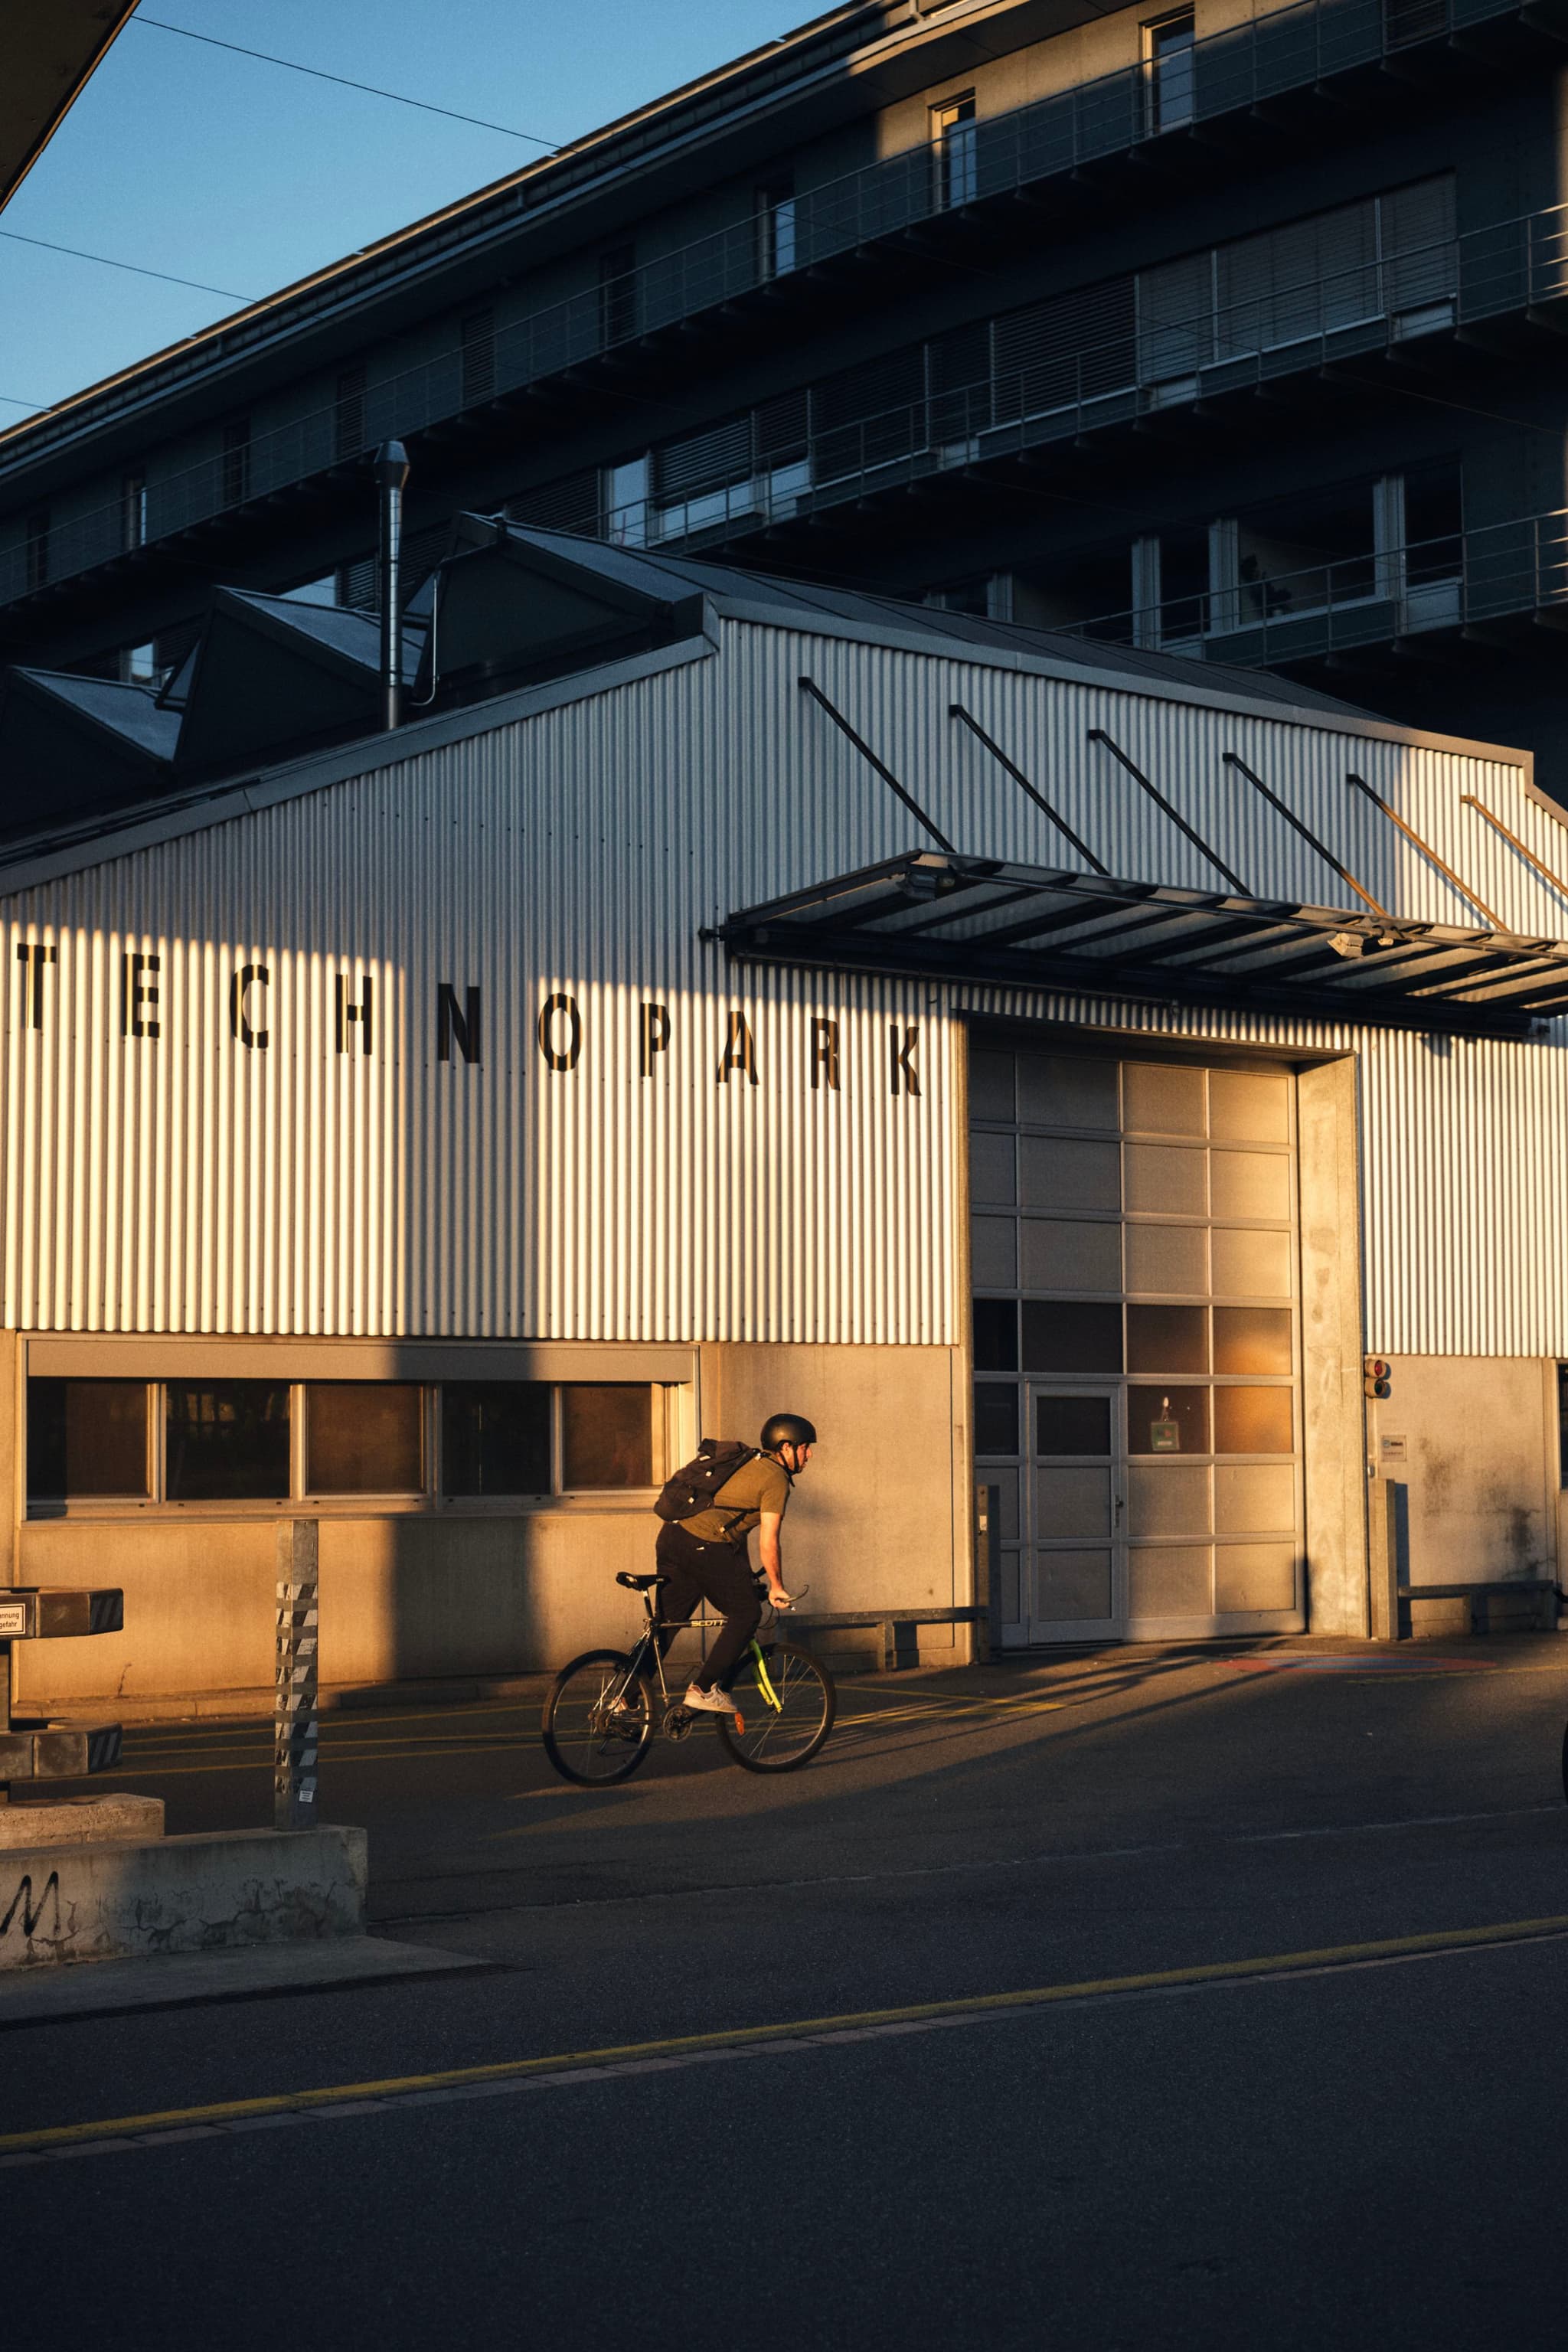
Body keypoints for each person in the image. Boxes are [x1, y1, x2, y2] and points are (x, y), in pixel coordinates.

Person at [657, 1413, 817, 1716]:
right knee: (746, 1614)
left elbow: (732, 1528)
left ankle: (623, 1698)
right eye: (805, 1447)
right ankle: (703, 1689)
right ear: (785, 1447)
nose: (809, 1454)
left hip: (673, 1537)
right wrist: (777, 1586)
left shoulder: (748, 1463)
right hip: (703, 1545)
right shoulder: (775, 1479)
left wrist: (745, 1576)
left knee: (666, 1625)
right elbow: (769, 1541)